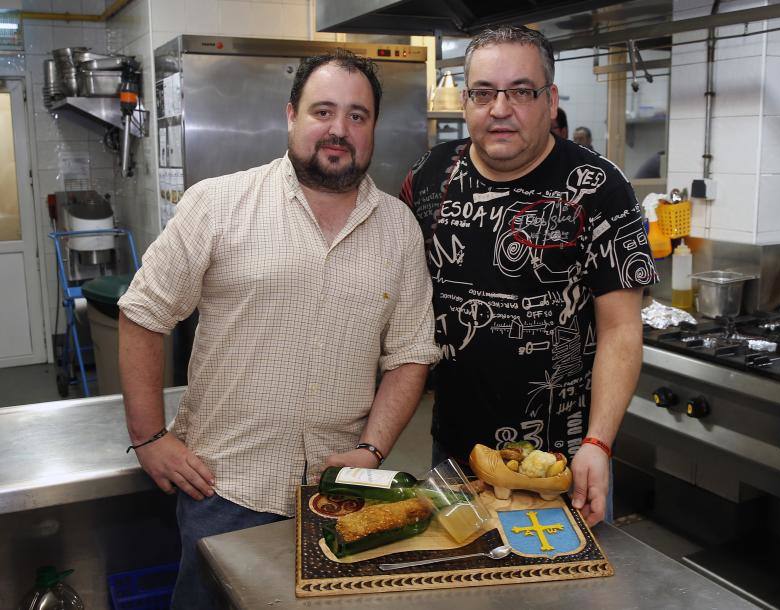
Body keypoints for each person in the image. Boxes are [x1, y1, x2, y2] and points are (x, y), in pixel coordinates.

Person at [119, 49, 439, 609]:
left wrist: (372, 448)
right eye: (323, 111)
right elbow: (143, 313)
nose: (339, 130)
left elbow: (411, 354)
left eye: (357, 116)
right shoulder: (217, 204)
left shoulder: (398, 229)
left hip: (342, 495)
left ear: (373, 129)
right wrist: (149, 437)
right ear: (290, 115)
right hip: (225, 492)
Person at [400, 26, 657, 528]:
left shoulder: (599, 188)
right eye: (483, 92)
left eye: (521, 91)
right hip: (455, 451)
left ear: (550, 99)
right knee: (463, 586)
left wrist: (598, 443)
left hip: (563, 460)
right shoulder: (431, 175)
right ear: (466, 100)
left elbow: (622, 328)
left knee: (564, 593)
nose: (500, 109)